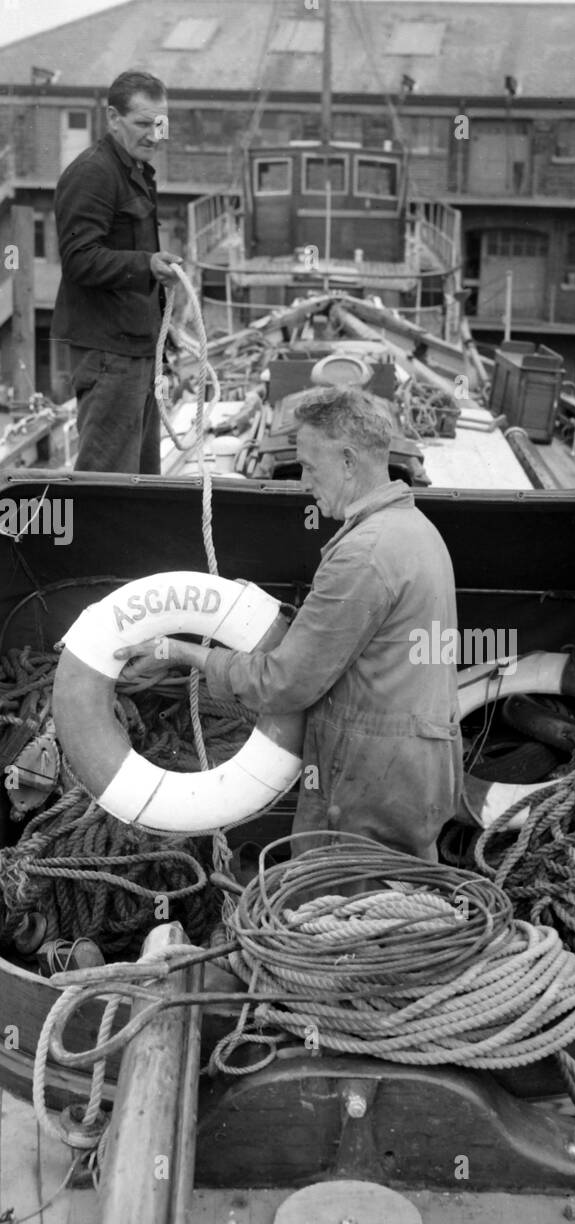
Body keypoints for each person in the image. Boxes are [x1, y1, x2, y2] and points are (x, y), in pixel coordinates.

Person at [116, 387, 463, 861]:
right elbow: (359, 642)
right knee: (399, 910)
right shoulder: (418, 532)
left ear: (347, 461)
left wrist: (180, 653)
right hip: (415, 772)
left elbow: (283, 685)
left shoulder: (365, 554)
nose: (303, 482)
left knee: (338, 913)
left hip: (366, 786)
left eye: (309, 466)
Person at [51, 69, 182, 474]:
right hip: (110, 356)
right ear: (112, 118)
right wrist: (146, 265)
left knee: (141, 483)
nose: (153, 135)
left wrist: (163, 327)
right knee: (107, 484)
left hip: (138, 351)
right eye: (143, 124)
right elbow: (78, 258)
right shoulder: (94, 172)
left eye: (159, 124)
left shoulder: (136, 172)